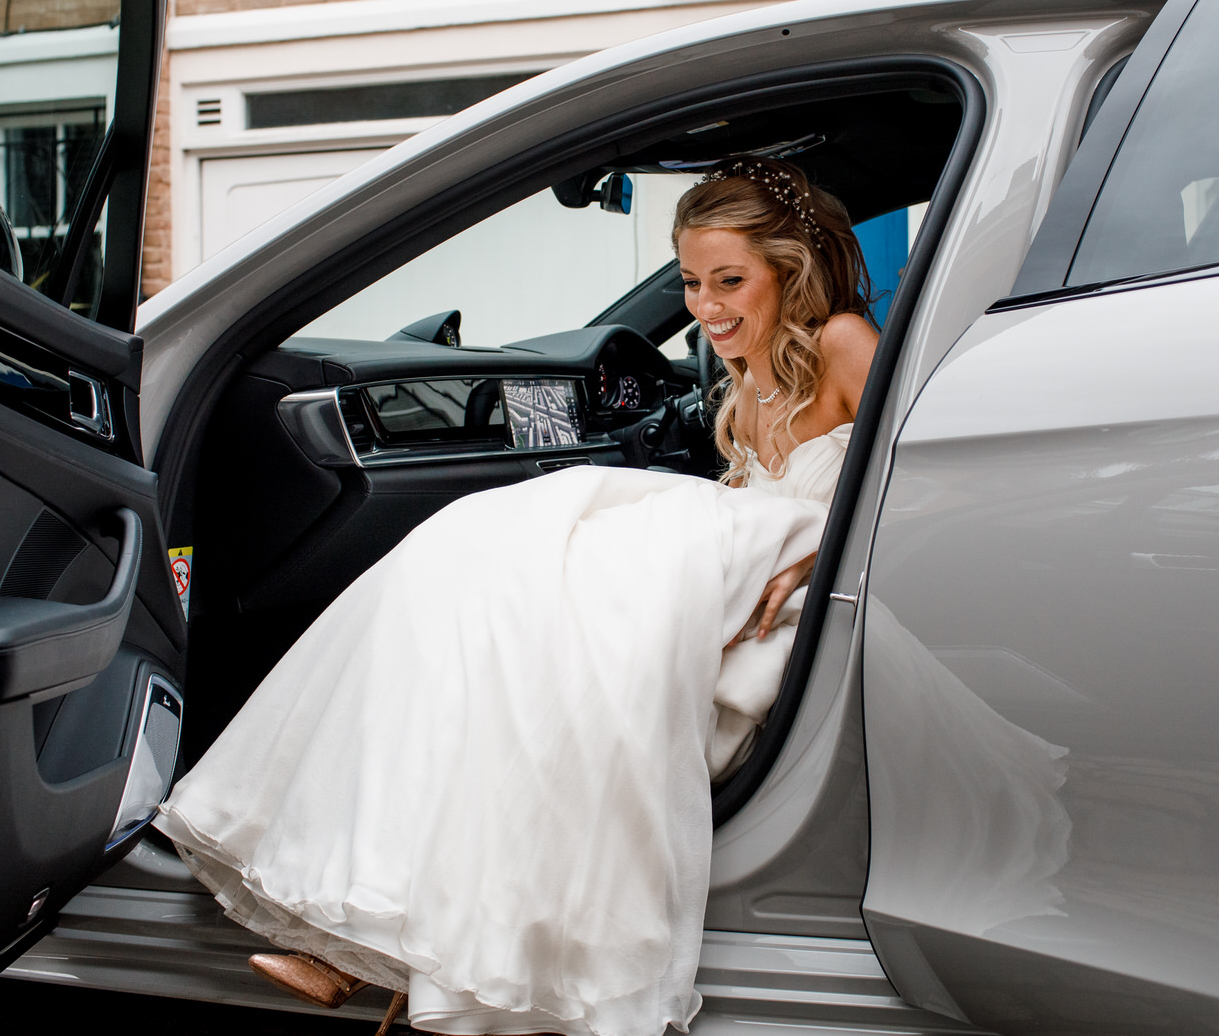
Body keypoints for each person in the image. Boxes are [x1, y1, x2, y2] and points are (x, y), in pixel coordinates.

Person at [154, 155, 879, 1036]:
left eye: (730, 281)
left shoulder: (843, 341)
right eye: (691, 282)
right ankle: (381, 934)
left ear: (790, 268)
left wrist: (823, 547)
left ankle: (385, 946)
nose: (705, 306)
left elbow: (913, 472)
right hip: (740, 575)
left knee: (530, 573)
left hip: (796, 583)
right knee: (487, 603)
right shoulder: (750, 372)